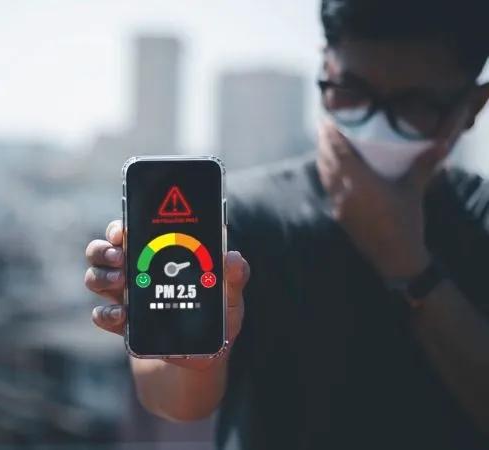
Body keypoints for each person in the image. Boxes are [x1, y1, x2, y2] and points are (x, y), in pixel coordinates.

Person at [84, 0, 489, 448]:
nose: (377, 123)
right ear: (325, 66)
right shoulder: (241, 214)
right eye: (351, 90)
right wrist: (188, 357)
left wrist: (409, 265)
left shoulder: (481, 217)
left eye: (414, 105)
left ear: (472, 105)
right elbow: (176, 401)